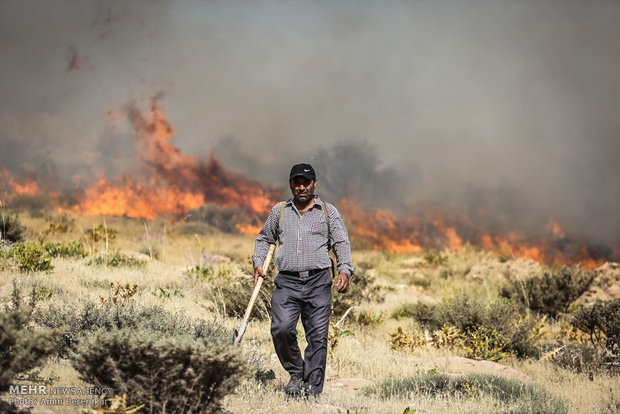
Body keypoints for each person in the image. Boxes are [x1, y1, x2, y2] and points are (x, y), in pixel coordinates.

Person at [252, 163, 354, 397]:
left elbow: (341, 243)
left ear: (314, 184)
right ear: (290, 184)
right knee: (281, 329)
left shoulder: (328, 212)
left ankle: (311, 391)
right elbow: (264, 239)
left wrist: (345, 270)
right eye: (296, 182)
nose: (301, 187)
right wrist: (258, 262)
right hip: (287, 283)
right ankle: (296, 371)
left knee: (317, 338)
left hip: (318, 282)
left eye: (305, 182)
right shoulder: (279, 211)